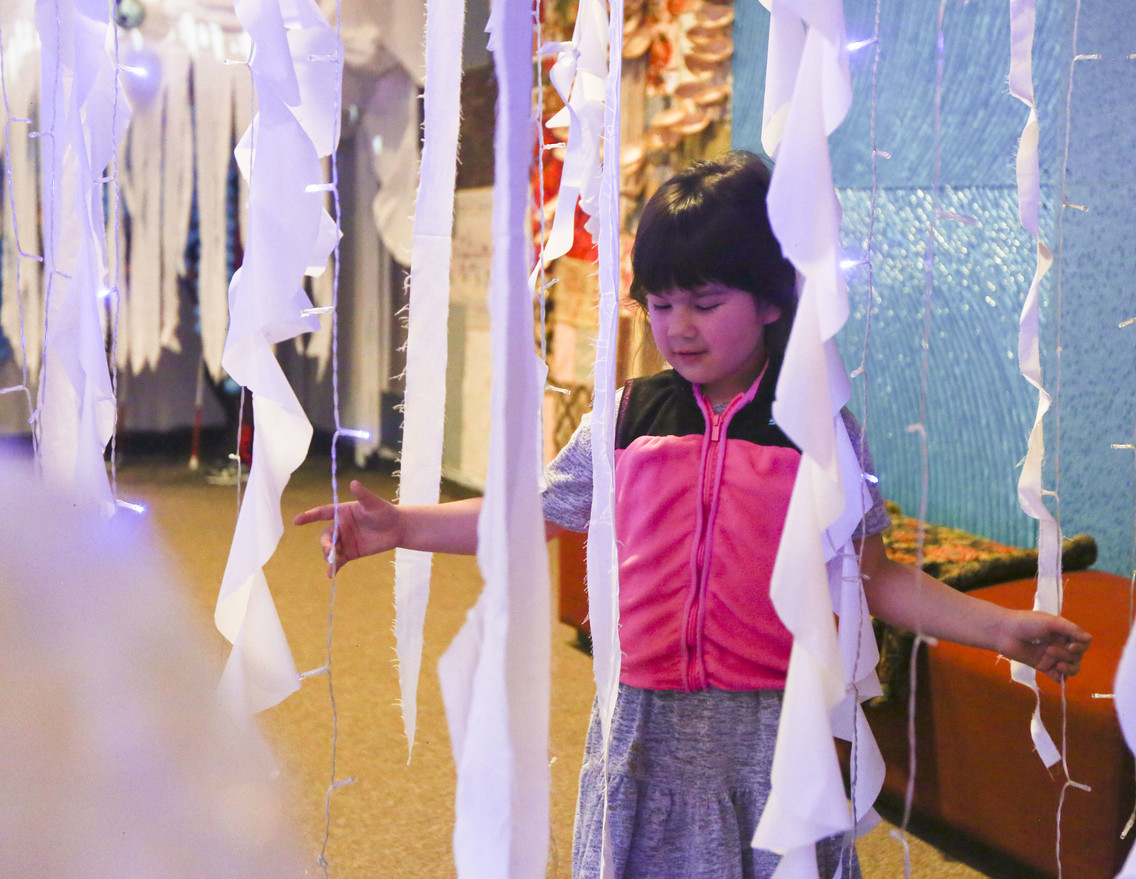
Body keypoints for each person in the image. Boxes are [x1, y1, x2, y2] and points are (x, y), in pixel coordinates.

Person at [294, 151, 1091, 879]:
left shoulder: (817, 428)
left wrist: (998, 628)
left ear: (773, 300)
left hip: (769, 732)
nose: (678, 327)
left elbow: (874, 576)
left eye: (706, 303)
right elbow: (529, 514)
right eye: (661, 303)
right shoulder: (624, 417)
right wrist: (405, 526)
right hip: (643, 729)